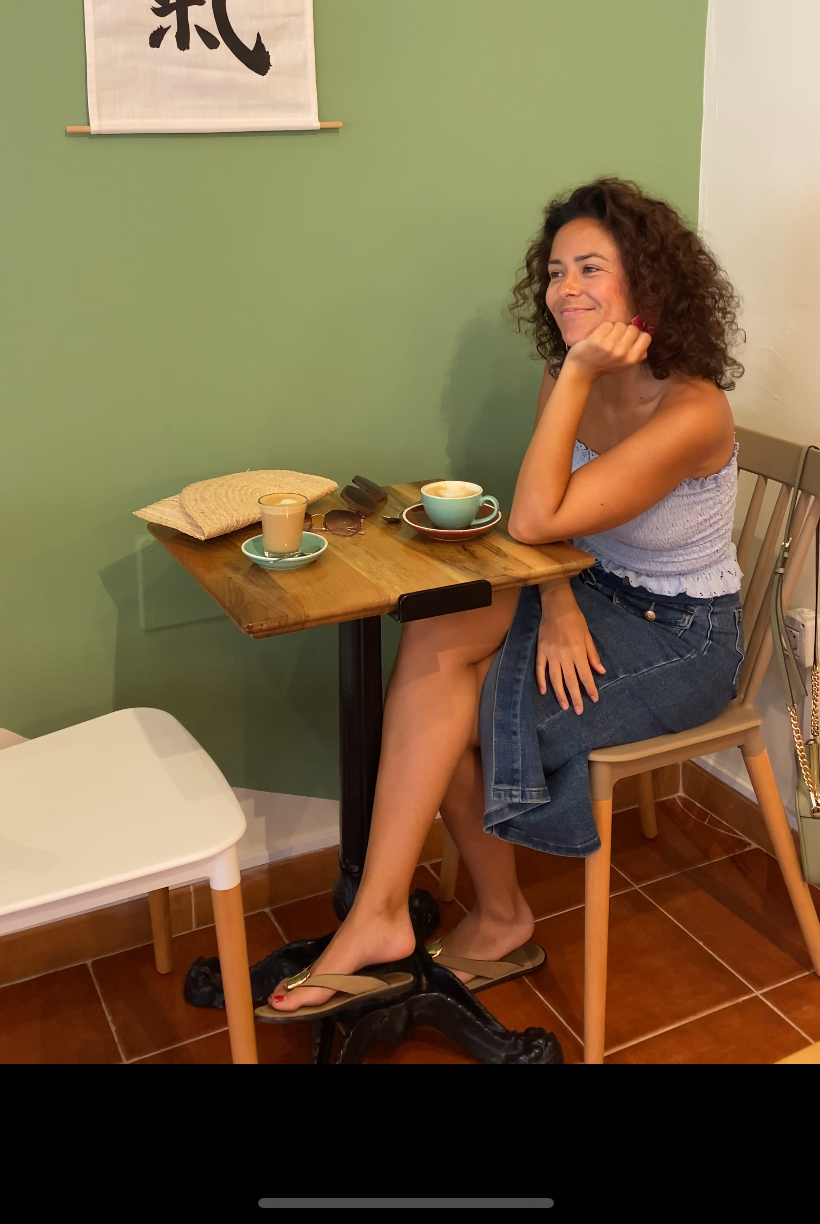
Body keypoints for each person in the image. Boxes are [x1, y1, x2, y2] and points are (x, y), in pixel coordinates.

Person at [264, 177, 745, 1017]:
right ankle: (383, 915)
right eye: (555, 272)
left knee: (461, 711)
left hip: (683, 634)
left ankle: (494, 918)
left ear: (647, 282)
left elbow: (532, 518)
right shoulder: (571, 375)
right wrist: (557, 603)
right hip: (585, 585)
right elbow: (545, 525)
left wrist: (575, 378)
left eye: (590, 268)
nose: (565, 290)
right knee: (434, 634)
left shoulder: (693, 409)